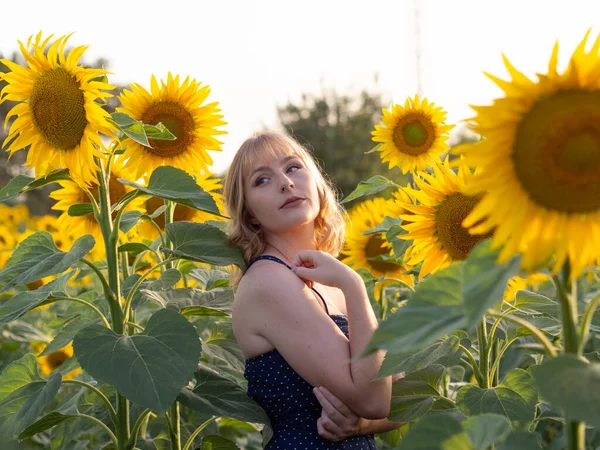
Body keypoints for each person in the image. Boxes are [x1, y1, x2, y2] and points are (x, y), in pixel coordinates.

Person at [223, 131, 402, 449]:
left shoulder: (325, 281)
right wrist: (355, 286)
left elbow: (408, 397)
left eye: (292, 168)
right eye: (262, 180)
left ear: (317, 181)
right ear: (249, 212)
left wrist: (361, 425)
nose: (285, 183)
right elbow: (375, 399)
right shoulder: (269, 282)